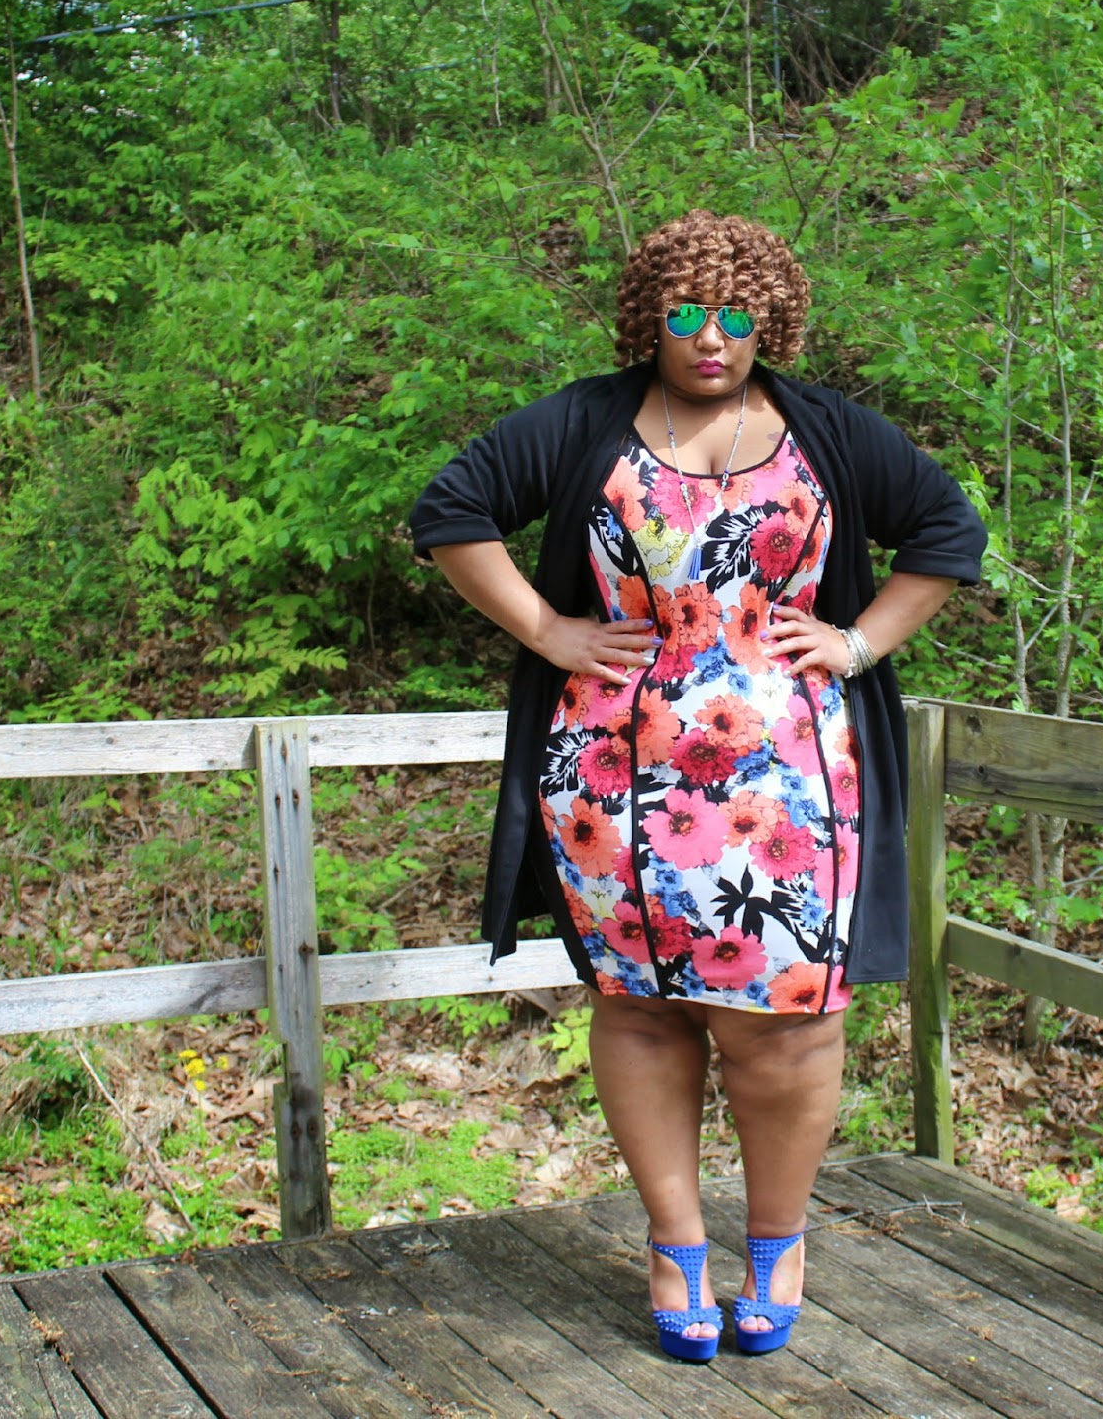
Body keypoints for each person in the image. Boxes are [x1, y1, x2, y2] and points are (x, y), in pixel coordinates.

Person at [409, 210, 985, 1362]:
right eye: (684, 314)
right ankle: (675, 1243)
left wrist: (858, 643)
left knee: (789, 1026)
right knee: (639, 1006)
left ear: (770, 319)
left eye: (735, 315)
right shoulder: (584, 422)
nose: (710, 337)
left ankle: (777, 1241)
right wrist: (549, 630)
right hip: (612, 784)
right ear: (649, 317)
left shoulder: (826, 431)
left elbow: (945, 530)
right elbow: (449, 511)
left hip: (796, 788)